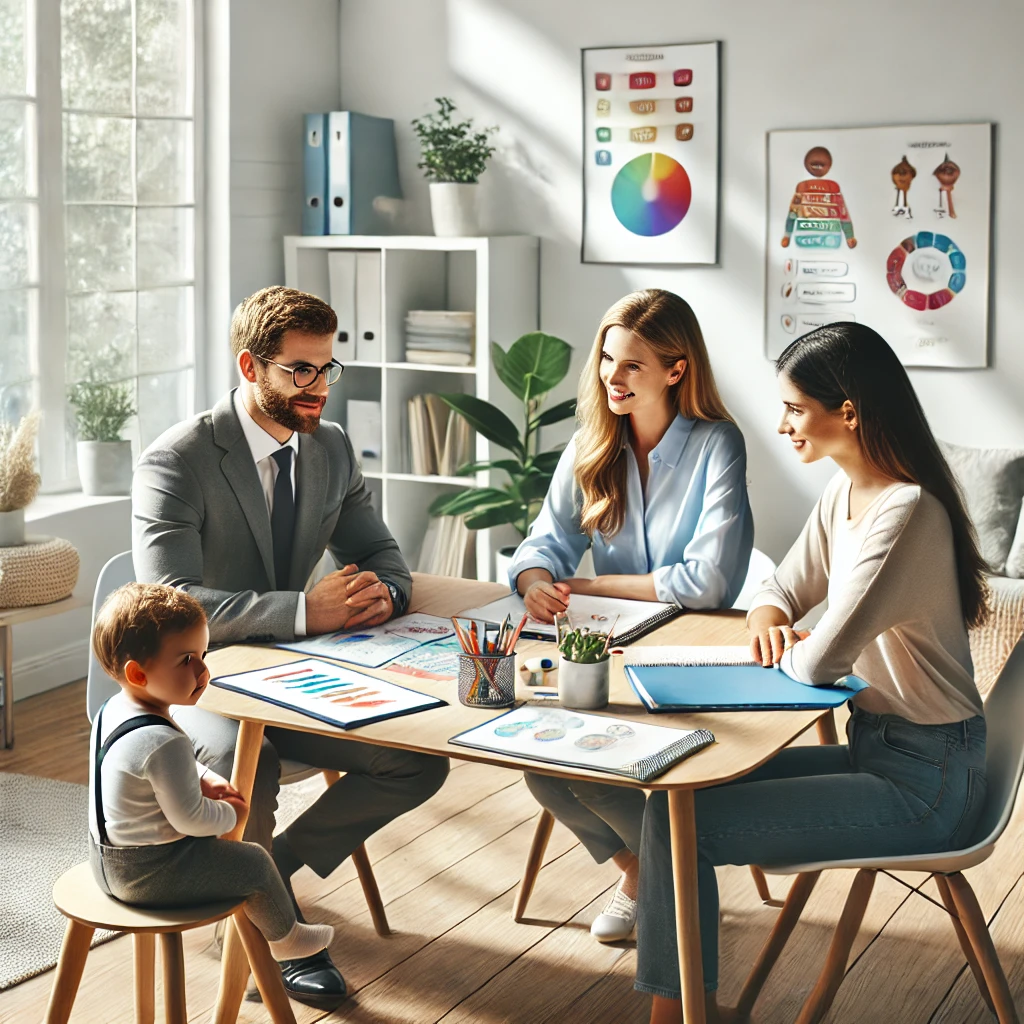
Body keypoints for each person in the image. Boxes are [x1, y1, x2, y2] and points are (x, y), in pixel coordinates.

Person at [635, 322, 989, 1024]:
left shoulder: (907, 511)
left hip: (930, 782)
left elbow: (821, 660)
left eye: (796, 408)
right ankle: (687, 1009)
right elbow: (779, 591)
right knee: (666, 805)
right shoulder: (845, 495)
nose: (783, 423)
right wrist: (774, 618)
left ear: (848, 412)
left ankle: (680, 1016)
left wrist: (798, 639)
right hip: (879, 748)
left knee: (690, 827)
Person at [132, 286, 449, 1008]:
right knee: (252, 762)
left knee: (415, 761)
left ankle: (263, 882)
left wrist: (381, 595)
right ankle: (268, 933)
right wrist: (308, 608)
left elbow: (382, 554)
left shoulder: (331, 447)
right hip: (192, 679)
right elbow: (171, 605)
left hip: (299, 671)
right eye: (299, 371)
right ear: (251, 365)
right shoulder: (176, 461)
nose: (317, 389)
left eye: (327, 369)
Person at [508, 289, 754, 944]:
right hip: (609, 651)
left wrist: (594, 583)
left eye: (632, 366)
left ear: (677, 369)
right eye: (607, 361)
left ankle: (655, 878)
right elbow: (543, 546)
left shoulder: (716, 446)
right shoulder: (592, 444)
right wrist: (536, 581)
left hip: (695, 654)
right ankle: (644, 871)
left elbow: (708, 582)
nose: (611, 379)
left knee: (618, 753)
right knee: (539, 757)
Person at [89, 583, 335, 963]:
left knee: (240, 855)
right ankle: (287, 939)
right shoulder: (162, 740)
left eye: (203, 654)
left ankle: (283, 936)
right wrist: (233, 812)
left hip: (105, 859)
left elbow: (158, 768)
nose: (203, 670)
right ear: (138, 674)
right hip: (151, 875)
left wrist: (203, 775)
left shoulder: (113, 711)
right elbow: (190, 819)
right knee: (252, 861)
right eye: (187, 659)